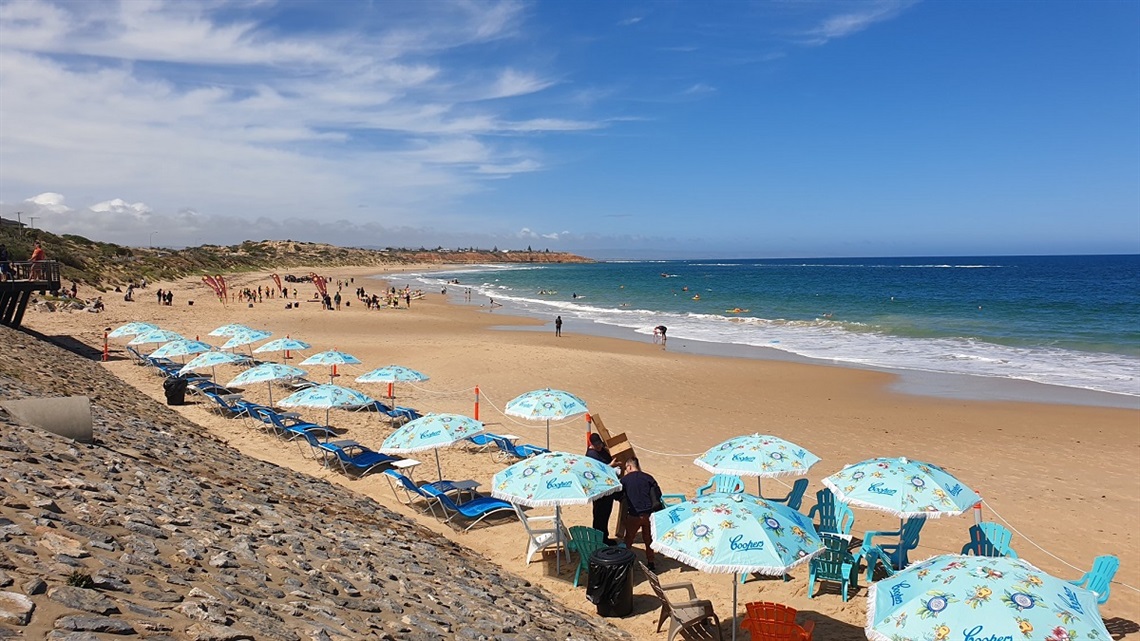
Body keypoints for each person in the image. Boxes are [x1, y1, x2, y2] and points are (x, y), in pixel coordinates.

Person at [620, 457, 662, 570]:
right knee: (648, 539)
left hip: (634, 514)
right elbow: (658, 494)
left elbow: (619, 496)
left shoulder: (625, 480)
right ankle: (651, 561)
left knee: (629, 539)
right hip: (649, 514)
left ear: (629, 466)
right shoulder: (648, 478)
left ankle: (626, 562)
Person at [585, 433, 616, 543]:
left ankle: (604, 537)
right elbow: (596, 471)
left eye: (600, 444)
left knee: (605, 514)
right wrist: (610, 466)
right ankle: (599, 539)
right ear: (592, 444)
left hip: (607, 489)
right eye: (597, 444)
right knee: (599, 515)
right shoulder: (591, 455)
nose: (599, 446)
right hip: (598, 490)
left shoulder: (601, 451)